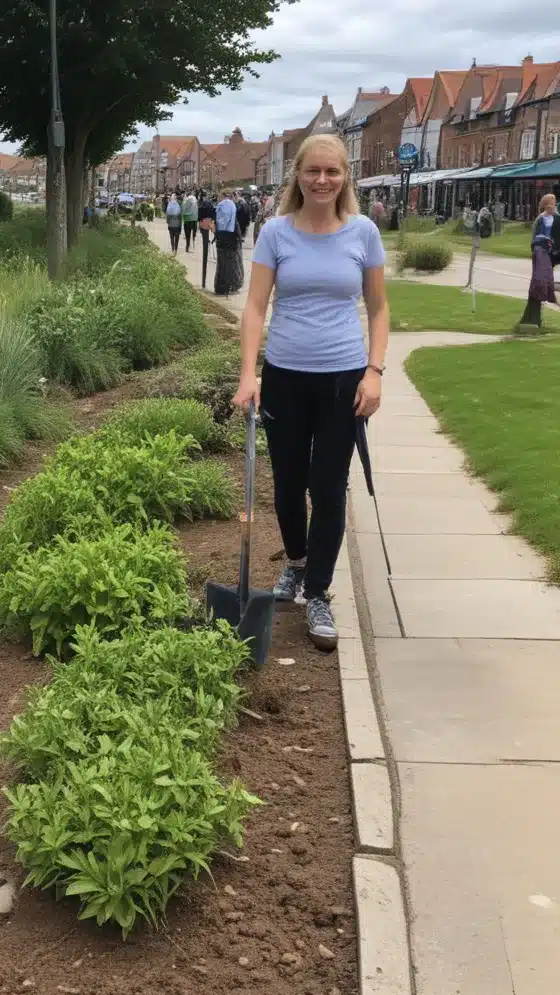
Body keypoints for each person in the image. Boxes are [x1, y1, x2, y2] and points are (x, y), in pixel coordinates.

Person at [232, 134, 389, 652]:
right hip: (285, 375)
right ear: (296, 176)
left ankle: (319, 590)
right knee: (287, 483)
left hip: (344, 378)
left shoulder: (362, 233)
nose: (322, 181)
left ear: (346, 177)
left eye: (332, 172)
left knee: (328, 486)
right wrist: (248, 374)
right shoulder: (276, 233)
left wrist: (375, 371)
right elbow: (255, 307)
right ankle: (296, 565)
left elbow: (379, 308)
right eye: (312, 172)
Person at [528, 193, 559, 307]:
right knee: (541, 274)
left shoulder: (556, 217)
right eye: (552, 202)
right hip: (540, 248)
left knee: (548, 275)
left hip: (550, 250)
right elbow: (535, 235)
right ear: (546, 204)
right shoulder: (541, 218)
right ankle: (538, 297)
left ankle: (549, 297)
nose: (553, 205)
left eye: (554, 203)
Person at [213, 190, 243, 296]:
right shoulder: (231, 205)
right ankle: (228, 287)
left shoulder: (221, 205)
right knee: (230, 263)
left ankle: (220, 287)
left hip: (221, 236)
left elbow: (220, 221)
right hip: (230, 237)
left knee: (222, 263)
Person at [198, 192, 217, 289]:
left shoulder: (201, 206)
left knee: (205, 252)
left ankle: (203, 282)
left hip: (203, 227)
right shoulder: (211, 205)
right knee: (211, 247)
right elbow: (214, 216)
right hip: (211, 226)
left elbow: (199, 218)